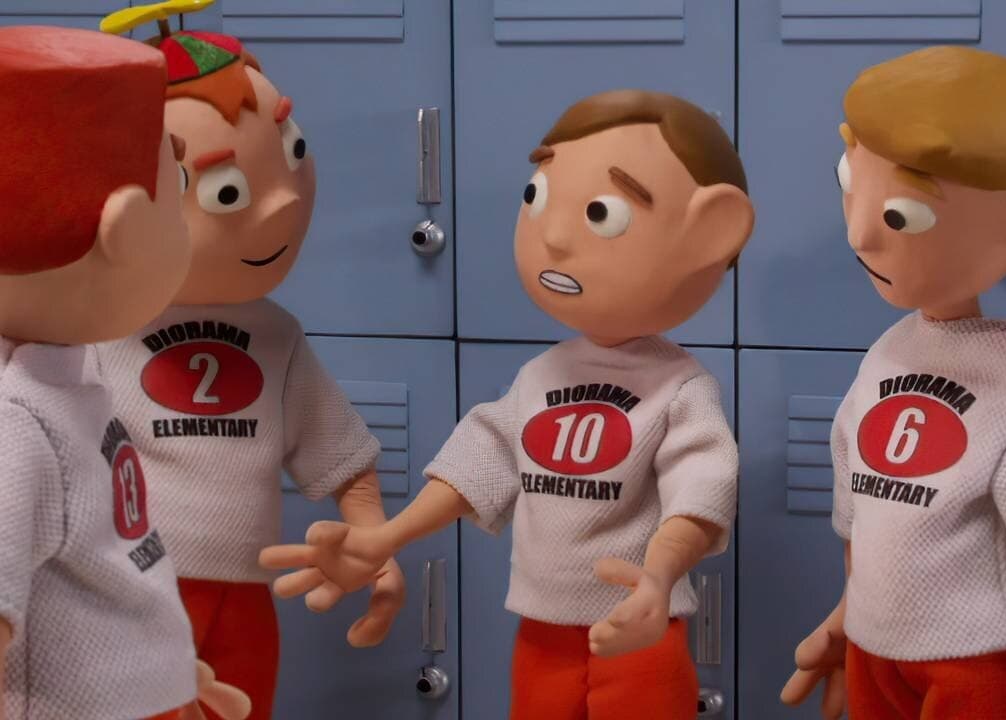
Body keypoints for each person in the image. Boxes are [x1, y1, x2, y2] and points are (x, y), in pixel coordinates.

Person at [262, 89, 754, 720]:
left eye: (601, 214)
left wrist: (658, 577)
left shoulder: (681, 389)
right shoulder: (538, 376)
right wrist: (386, 536)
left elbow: (702, 488)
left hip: (641, 633)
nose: (554, 236)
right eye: (537, 197)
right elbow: (481, 464)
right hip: (540, 633)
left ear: (712, 232)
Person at [780, 46, 1006, 720]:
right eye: (850, 179)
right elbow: (863, 500)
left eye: (901, 215)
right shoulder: (886, 353)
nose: (859, 234)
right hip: (871, 647)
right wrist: (850, 608)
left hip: (970, 657)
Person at [94, 30, 402, 720]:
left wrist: (375, 544)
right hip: (130, 590)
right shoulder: (101, 326)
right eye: (228, 190)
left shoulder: (277, 336)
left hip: (246, 596)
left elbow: (342, 455)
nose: (280, 205)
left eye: (292, 151)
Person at [0, 25, 201, 720]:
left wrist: (171, 672)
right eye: (178, 189)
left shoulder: (63, 375)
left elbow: (107, 562)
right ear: (125, 228)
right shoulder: (15, 427)